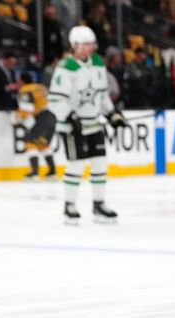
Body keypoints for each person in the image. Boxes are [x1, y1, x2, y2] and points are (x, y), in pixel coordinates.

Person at [48, 25, 126, 224]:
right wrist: (69, 116)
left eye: (92, 43)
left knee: (100, 163)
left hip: (93, 124)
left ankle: (99, 204)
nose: (91, 47)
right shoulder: (65, 67)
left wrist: (111, 114)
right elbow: (55, 100)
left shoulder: (98, 63)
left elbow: (101, 95)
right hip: (73, 127)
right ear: (75, 45)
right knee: (76, 164)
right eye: (87, 44)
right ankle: (69, 206)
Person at [15, 72, 57, 180]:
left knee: (30, 142)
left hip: (42, 118)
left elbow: (26, 108)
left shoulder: (25, 89)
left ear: (22, 80)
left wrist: (18, 117)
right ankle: (52, 172)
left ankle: (34, 172)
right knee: (43, 144)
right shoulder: (41, 87)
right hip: (52, 116)